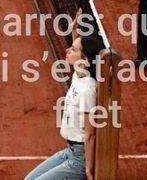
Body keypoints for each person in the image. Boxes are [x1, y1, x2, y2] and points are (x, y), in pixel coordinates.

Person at [25, 10, 105, 180]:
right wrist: (74, 29)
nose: (68, 50)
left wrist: (88, 171)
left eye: (73, 49)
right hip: (70, 151)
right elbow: (80, 50)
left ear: (84, 60)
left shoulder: (87, 91)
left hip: (79, 159)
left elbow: (90, 135)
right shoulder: (80, 74)